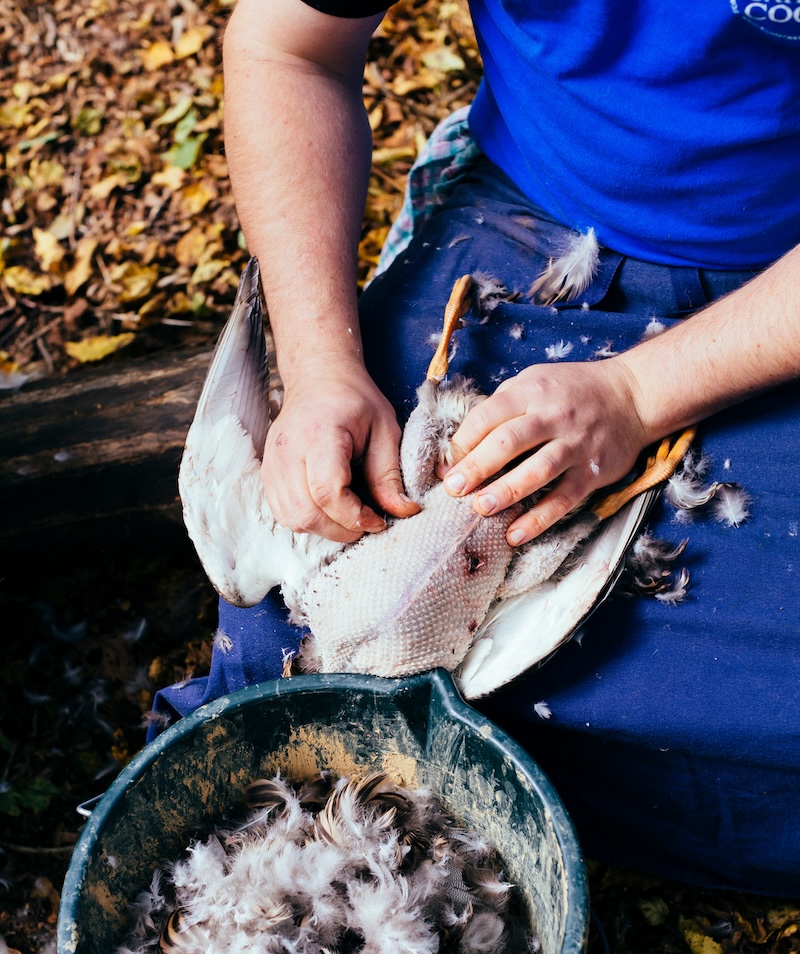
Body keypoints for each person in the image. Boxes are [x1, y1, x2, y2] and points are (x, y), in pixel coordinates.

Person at [155, 0, 800, 895]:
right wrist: (319, 368)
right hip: (535, 221)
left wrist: (636, 392)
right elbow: (287, 48)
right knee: (305, 641)